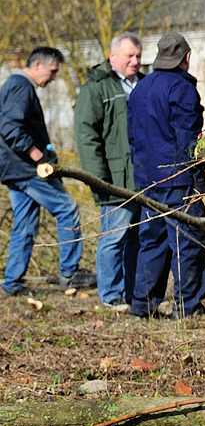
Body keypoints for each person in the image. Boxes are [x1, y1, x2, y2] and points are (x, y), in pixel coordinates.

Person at [0, 47, 95, 296]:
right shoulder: (21, 86)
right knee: (68, 208)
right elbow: (9, 127)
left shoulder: (16, 85)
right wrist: (37, 155)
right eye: (53, 72)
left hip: (14, 168)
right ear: (38, 64)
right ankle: (70, 274)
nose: (53, 78)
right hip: (27, 169)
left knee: (25, 223)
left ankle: (11, 284)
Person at [127, 33, 205, 318]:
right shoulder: (182, 87)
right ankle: (187, 308)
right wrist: (197, 178)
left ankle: (142, 306)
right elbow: (189, 139)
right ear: (186, 58)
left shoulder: (140, 87)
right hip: (178, 178)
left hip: (146, 178)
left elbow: (133, 137)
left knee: (152, 240)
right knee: (187, 241)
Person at [74, 32, 144, 311]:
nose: (135, 61)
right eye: (130, 56)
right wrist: (97, 178)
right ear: (113, 56)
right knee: (113, 237)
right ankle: (110, 295)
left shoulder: (142, 84)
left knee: (135, 238)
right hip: (114, 178)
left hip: (140, 177)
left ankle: (130, 293)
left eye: (138, 56)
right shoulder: (96, 88)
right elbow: (86, 135)